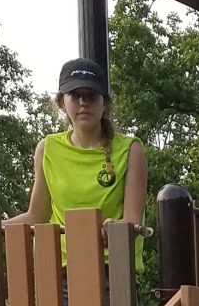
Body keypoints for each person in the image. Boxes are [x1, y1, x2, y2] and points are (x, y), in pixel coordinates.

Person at [17, 58, 148, 250]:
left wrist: (115, 228)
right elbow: (36, 216)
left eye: (92, 95)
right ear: (62, 102)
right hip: (58, 268)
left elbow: (132, 222)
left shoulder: (130, 150)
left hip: (112, 267)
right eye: (75, 94)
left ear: (105, 103)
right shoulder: (47, 148)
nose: (83, 102)